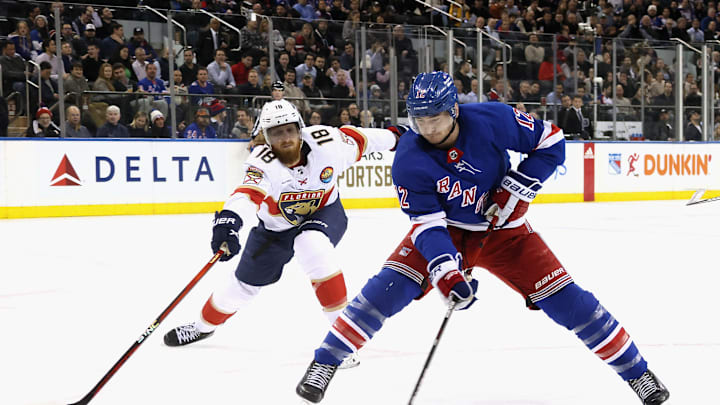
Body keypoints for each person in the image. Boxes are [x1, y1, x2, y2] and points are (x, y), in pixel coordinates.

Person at [295, 72, 670, 405]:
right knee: (382, 292)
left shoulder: (492, 118)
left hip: (504, 233)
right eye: (419, 119)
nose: (427, 128)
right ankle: (324, 364)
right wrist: (448, 274)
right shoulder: (409, 157)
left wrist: (520, 185)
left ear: (454, 110)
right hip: (448, 232)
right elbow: (427, 226)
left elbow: (552, 141)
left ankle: (638, 373)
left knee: (571, 304)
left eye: (435, 118)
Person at [163, 99, 399, 373]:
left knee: (312, 245)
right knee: (240, 288)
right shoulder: (262, 163)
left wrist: (401, 136)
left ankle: (340, 343)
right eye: (276, 133)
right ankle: (203, 327)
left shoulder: (330, 144)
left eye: (289, 130)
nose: (285, 139)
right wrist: (228, 223)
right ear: (265, 137)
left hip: (324, 214)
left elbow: (368, 139)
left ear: (300, 128)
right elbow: (246, 195)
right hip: (274, 231)